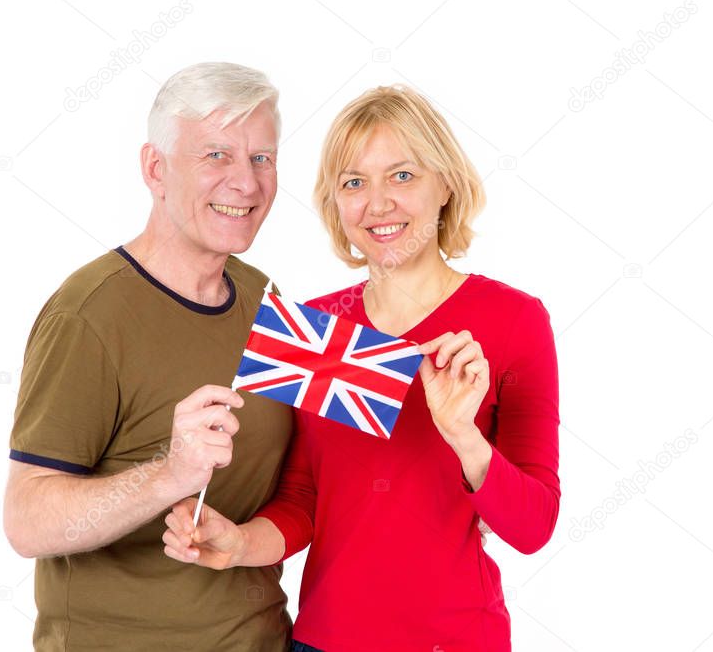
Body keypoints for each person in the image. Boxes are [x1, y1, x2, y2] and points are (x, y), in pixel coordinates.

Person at [162, 85, 562, 651]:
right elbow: (304, 498)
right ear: (336, 204)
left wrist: (465, 440)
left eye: (402, 175)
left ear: (445, 184)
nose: (377, 204)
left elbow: (533, 527)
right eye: (354, 182)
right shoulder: (318, 328)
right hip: (324, 641)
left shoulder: (514, 321)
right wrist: (238, 544)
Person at [2, 62, 295, 651]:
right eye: (216, 155)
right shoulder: (87, 314)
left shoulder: (267, 300)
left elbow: (301, 481)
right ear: (154, 168)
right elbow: (27, 522)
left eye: (261, 157)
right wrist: (169, 475)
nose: (246, 183)